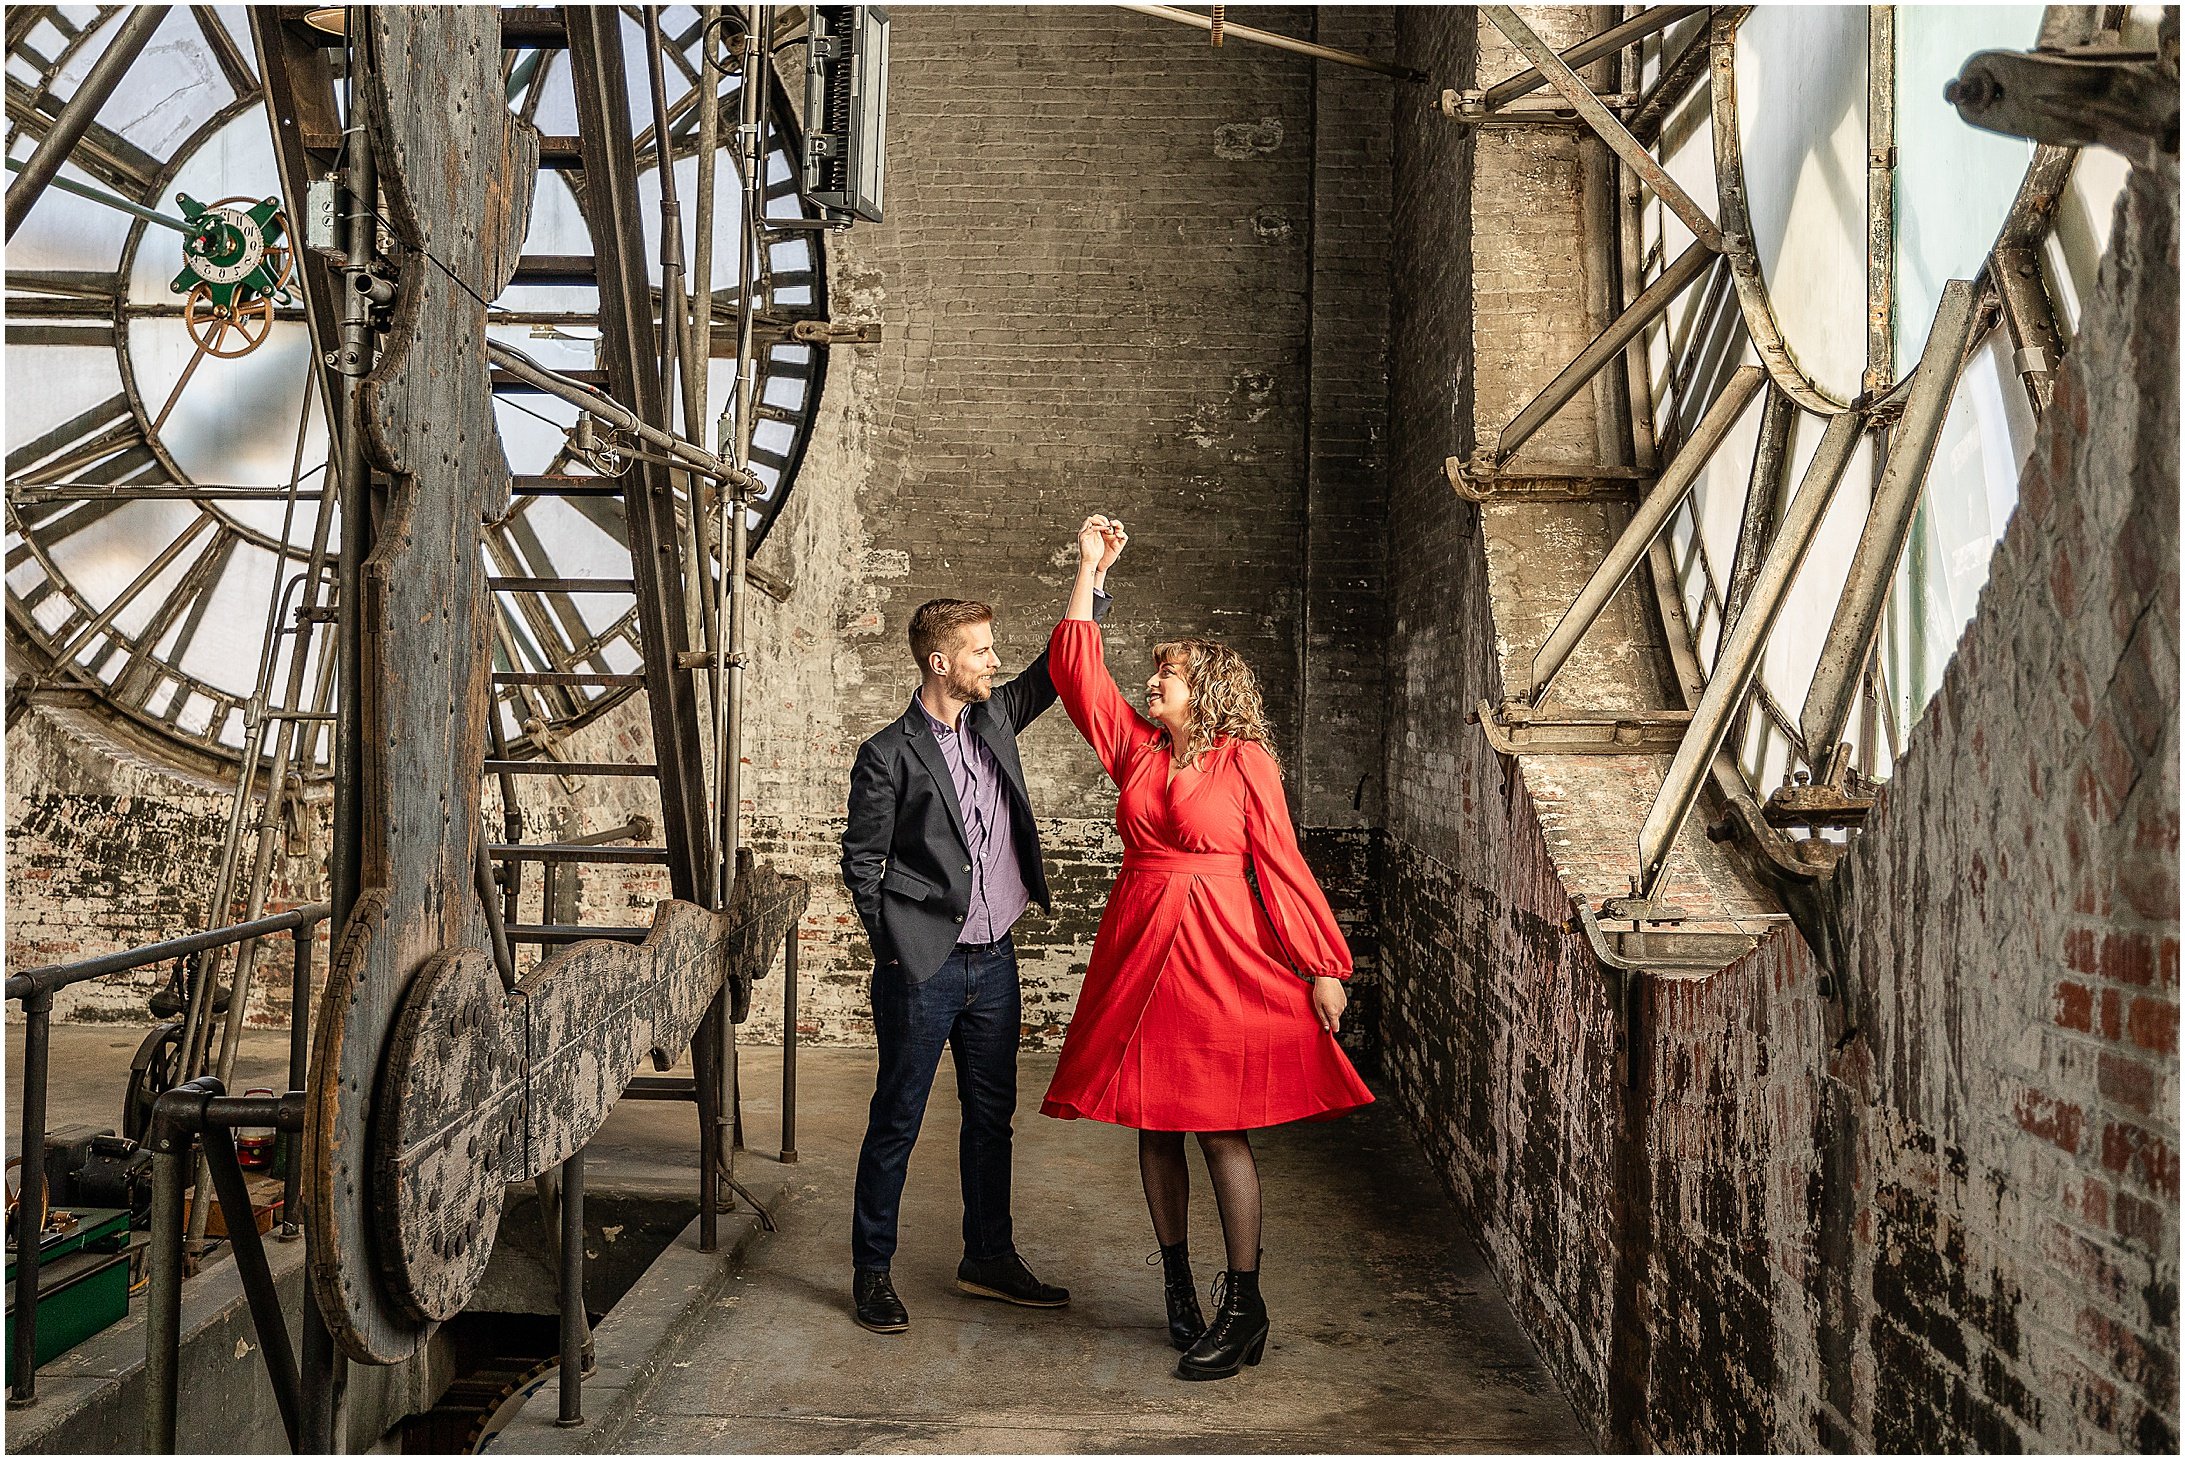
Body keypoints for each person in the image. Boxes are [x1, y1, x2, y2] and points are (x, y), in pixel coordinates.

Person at [1040, 514, 1373, 1382]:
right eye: (1154, 673)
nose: (1153, 683)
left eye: (1168, 675)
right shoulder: (1138, 753)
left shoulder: (1245, 761)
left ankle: (1244, 1301)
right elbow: (1076, 676)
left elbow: (1284, 866)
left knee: (1220, 1130)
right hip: (1138, 947)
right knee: (1152, 1127)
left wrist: (1324, 966)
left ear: (1207, 690)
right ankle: (1177, 1289)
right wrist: (1088, 571)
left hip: (1222, 952)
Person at [838, 528, 1119, 1334]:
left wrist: (1088, 575)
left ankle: (987, 1257)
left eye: (992, 651)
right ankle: (871, 1272)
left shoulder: (996, 721)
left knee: (991, 1115)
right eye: (980, 651)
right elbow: (861, 861)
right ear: (938, 661)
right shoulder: (885, 755)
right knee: (898, 1116)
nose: (993, 662)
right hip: (922, 967)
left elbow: (1060, 674)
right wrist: (895, 947)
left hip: (994, 963)